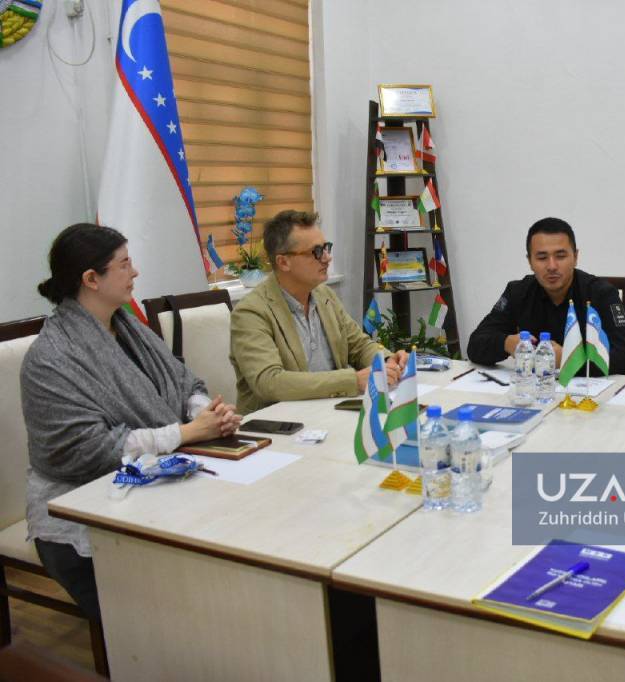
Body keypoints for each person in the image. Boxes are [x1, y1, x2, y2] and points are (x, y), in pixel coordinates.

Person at [21, 223, 242, 622]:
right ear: (91, 279)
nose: (135, 272)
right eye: (123, 265)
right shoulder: (50, 358)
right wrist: (185, 433)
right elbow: (87, 451)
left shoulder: (127, 326)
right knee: (171, 611)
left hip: (159, 484)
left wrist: (203, 413)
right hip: (78, 513)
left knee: (229, 545)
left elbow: (184, 381)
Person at [230, 210, 407, 414]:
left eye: (326, 248)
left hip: (330, 411)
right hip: (279, 422)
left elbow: (358, 345)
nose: (327, 257)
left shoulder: (324, 295)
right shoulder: (251, 312)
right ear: (283, 262)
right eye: (316, 251)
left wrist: (386, 361)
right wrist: (352, 380)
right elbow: (270, 382)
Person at [467, 217, 625, 375]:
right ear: (530, 261)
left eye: (560, 256)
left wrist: (569, 360)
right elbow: (475, 345)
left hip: (588, 392)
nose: (552, 266)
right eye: (542, 257)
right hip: (535, 390)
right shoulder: (517, 292)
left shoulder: (602, 293)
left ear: (575, 257)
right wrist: (506, 343)